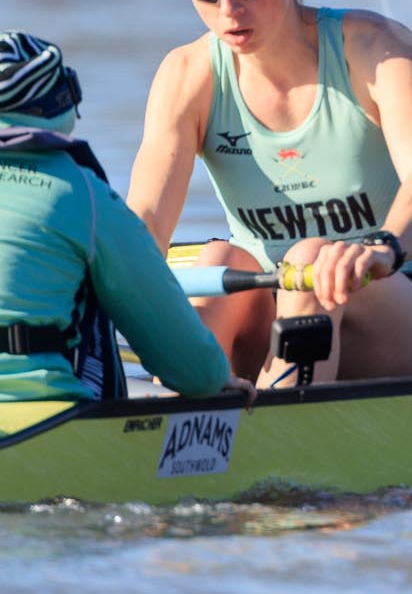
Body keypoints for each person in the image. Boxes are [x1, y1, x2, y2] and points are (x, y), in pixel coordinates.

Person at [128, 0, 412, 384]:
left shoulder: (376, 48)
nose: (227, 8)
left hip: (400, 317)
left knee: (311, 260)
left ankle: (275, 429)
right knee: (214, 260)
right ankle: (172, 414)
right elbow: (147, 223)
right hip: (276, 308)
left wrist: (381, 248)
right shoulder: (186, 76)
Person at [0, 33, 240, 405]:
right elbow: (195, 372)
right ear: (60, 102)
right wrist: (214, 377)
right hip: (37, 414)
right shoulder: (82, 194)